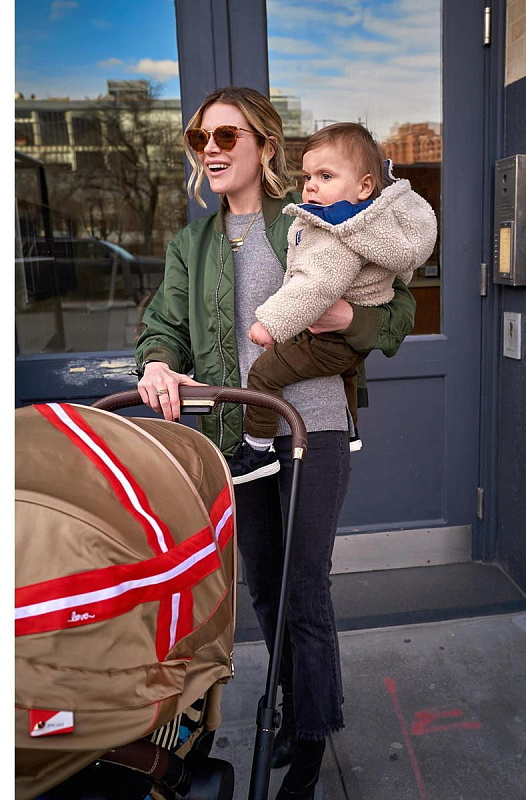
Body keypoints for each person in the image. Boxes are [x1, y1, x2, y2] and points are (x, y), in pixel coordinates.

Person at [134, 86, 417, 800]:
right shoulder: (192, 244)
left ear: (264, 145)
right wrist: (158, 363)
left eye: (228, 136)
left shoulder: (313, 216)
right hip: (238, 436)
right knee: (264, 584)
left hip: (314, 427)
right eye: (201, 139)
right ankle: (293, 705)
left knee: (305, 585)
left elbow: (398, 309)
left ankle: (312, 739)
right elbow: (163, 326)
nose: (212, 149)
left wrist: (349, 316)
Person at [227, 122, 437, 483]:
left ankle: (257, 450)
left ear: (365, 186)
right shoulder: (372, 227)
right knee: (348, 371)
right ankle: (351, 429)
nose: (311, 185)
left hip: (327, 341)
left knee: (263, 373)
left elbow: (313, 287)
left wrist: (270, 325)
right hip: (348, 346)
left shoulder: (338, 233)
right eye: (308, 176)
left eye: (325, 176)